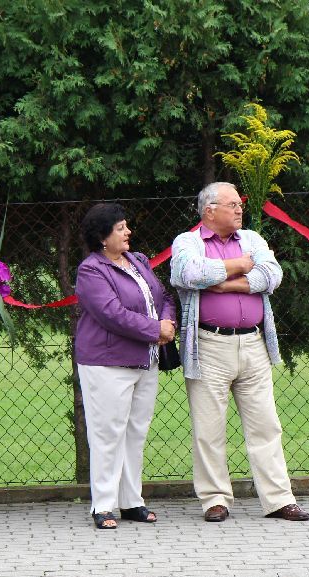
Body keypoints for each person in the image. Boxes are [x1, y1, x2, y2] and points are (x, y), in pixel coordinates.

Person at [170, 182, 309, 523]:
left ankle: (279, 500)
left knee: (266, 424)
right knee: (209, 428)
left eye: (239, 204)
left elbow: (272, 275)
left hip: (253, 345)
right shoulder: (187, 242)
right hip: (209, 346)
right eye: (231, 205)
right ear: (209, 211)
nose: (239, 210)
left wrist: (225, 281)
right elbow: (189, 273)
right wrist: (241, 266)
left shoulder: (252, 239)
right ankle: (215, 500)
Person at [75, 203, 176, 529]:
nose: (128, 232)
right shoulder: (91, 270)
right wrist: (154, 330)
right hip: (107, 363)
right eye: (120, 228)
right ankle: (103, 506)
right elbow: (111, 313)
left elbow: (163, 298)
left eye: (126, 226)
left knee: (136, 432)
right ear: (103, 237)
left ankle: (132, 501)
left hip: (145, 360)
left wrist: (167, 322)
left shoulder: (138, 261)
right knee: (107, 434)